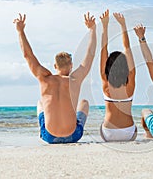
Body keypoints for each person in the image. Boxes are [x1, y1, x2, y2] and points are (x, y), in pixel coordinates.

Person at [13, 12, 97, 143]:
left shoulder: (44, 78)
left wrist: (20, 31)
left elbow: (27, 55)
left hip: (50, 137)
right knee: (84, 103)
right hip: (73, 135)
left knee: (40, 103)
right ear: (71, 65)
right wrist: (92, 30)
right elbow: (90, 55)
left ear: (54, 65)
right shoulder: (75, 79)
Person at [99, 10, 137, 141]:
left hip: (108, 133)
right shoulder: (131, 80)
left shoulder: (105, 81)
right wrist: (123, 25)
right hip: (129, 132)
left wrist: (105, 26)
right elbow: (127, 47)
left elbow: (104, 49)